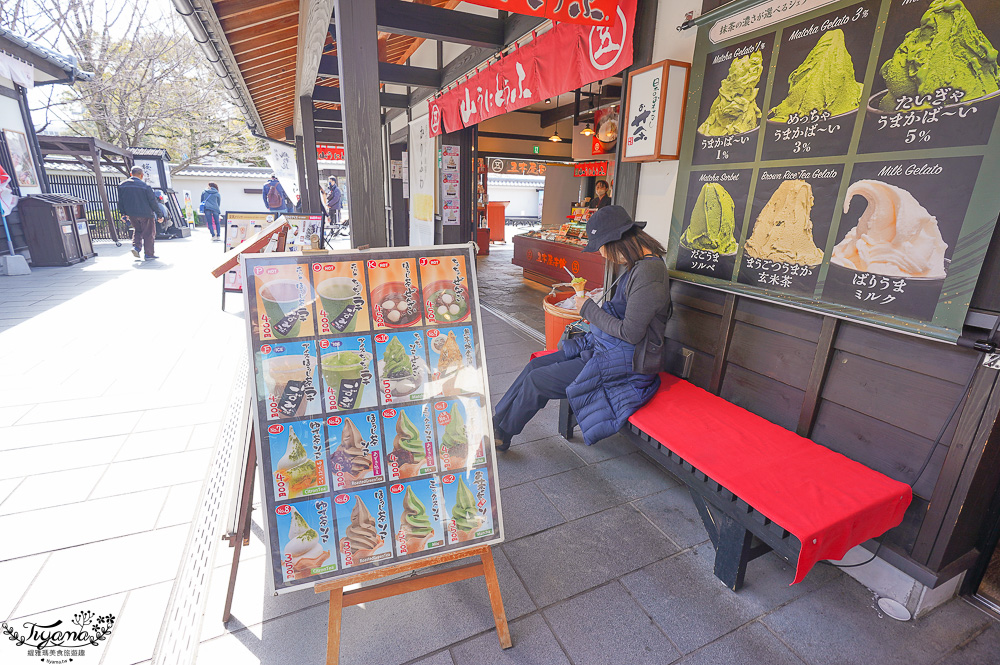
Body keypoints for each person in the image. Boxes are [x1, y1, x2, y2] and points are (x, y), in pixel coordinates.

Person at [493, 205, 671, 450]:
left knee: (538, 380)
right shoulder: (639, 266)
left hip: (628, 365)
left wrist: (587, 308)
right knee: (535, 364)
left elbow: (631, 333)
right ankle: (496, 421)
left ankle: (502, 434)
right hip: (609, 350)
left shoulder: (649, 272)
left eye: (601, 247)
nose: (603, 254)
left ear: (616, 240)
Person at [118, 166, 160, 261]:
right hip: (146, 213)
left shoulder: (122, 185)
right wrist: (159, 214)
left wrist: (123, 213)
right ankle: (149, 254)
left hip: (132, 213)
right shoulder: (145, 186)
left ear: (130, 174)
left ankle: (136, 247)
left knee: (138, 230)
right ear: (142, 175)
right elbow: (152, 202)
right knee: (149, 233)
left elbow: (120, 201)